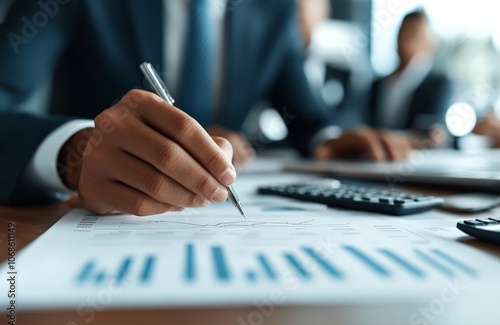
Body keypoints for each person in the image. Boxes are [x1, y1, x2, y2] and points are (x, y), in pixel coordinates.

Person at [0, 0, 414, 216]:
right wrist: (71, 151)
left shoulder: (274, 9)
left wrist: (330, 139)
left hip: (201, 212)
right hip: (78, 221)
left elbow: (303, 114)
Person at [368, 10, 453, 149]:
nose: (407, 41)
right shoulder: (377, 85)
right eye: (404, 33)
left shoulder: (439, 83)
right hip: (378, 156)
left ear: (429, 42)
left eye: (415, 35)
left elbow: (435, 131)